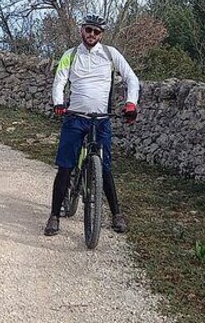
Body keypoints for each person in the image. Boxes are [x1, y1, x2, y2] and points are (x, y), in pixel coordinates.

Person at [44, 13, 139, 237]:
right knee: (65, 167)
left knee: (105, 167)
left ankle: (116, 213)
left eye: (96, 32)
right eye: (88, 30)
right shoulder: (71, 54)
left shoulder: (110, 53)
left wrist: (131, 104)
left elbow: (131, 78)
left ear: (101, 34)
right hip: (75, 118)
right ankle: (54, 215)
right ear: (82, 30)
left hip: (102, 119)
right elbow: (60, 81)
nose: (92, 35)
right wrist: (58, 103)